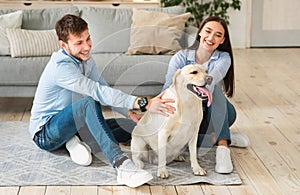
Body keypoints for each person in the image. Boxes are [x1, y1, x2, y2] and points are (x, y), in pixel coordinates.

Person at [28, 14, 175, 188]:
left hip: (74, 124)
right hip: (46, 133)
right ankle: (122, 165)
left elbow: (104, 87)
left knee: (133, 127)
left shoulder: (86, 60)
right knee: (89, 102)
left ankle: (75, 141)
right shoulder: (60, 68)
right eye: (79, 43)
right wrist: (144, 103)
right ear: (63, 45)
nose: (87, 46)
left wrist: (130, 113)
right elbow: (97, 92)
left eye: (88, 39)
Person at [161, 16, 250, 174]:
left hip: (215, 111)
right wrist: (158, 109)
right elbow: (169, 86)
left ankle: (223, 149)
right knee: (177, 139)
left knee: (212, 87)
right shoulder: (181, 57)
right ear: (200, 32)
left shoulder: (224, 58)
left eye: (218, 35)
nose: (211, 37)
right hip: (188, 115)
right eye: (208, 31)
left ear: (222, 40)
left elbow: (212, 79)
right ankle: (221, 138)